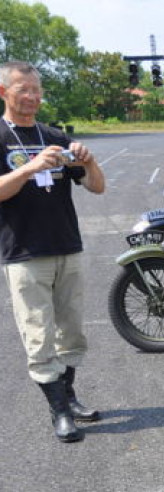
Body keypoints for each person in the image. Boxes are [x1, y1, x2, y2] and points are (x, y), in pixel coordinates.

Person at [0, 60, 105, 442]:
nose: (31, 96)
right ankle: (59, 411)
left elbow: (96, 187)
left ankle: (69, 395)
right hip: (25, 254)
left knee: (72, 333)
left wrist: (90, 161)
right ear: (4, 93)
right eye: (22, 89)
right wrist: (29, 168)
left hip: (67, 247)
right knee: (38, 336)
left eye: (36, 89)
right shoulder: (1, 136)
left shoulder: (53, 135)